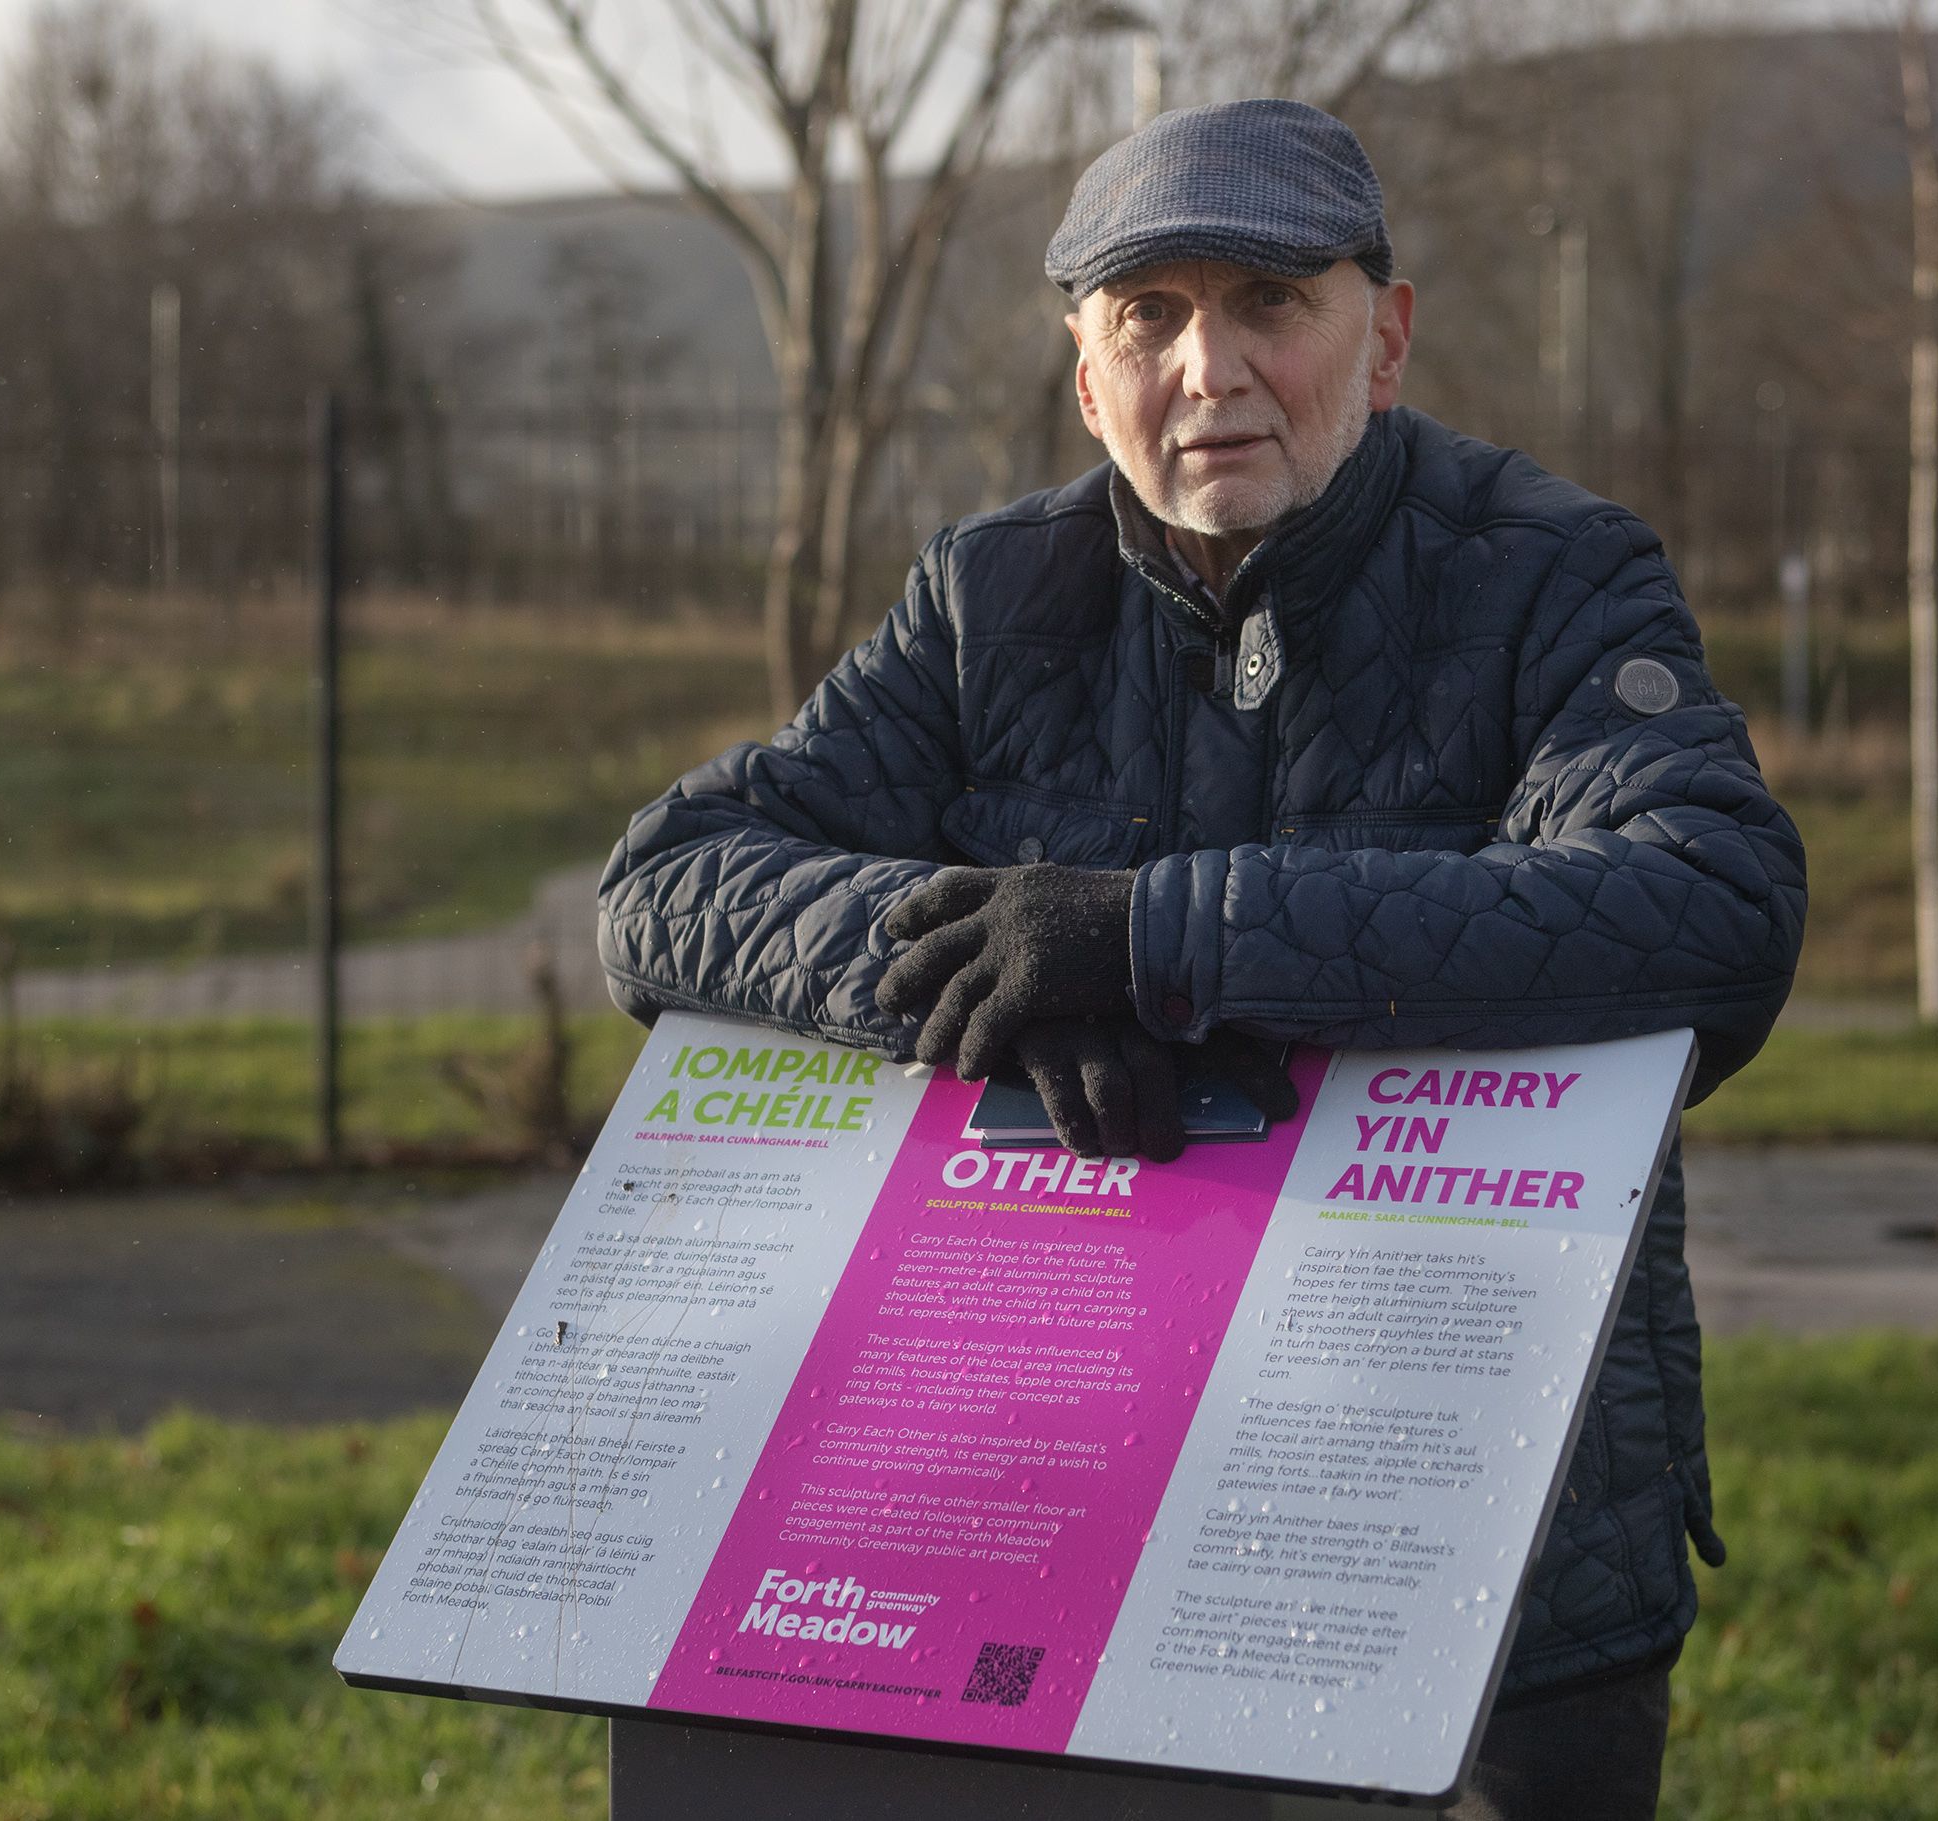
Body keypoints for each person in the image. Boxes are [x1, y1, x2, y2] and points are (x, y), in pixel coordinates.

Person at [598, 98, 1805, 1821]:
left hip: (1486, 1540)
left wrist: (1157, 935)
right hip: (1071, 1510)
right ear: (1085, 376)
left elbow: (1710, 899)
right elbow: (668, 882)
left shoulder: (1552, 578)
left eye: (1268, 301)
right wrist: (995, 986)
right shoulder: (988, 597)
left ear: (1382, 334)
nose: (1208, 367)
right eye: (1146, 316)